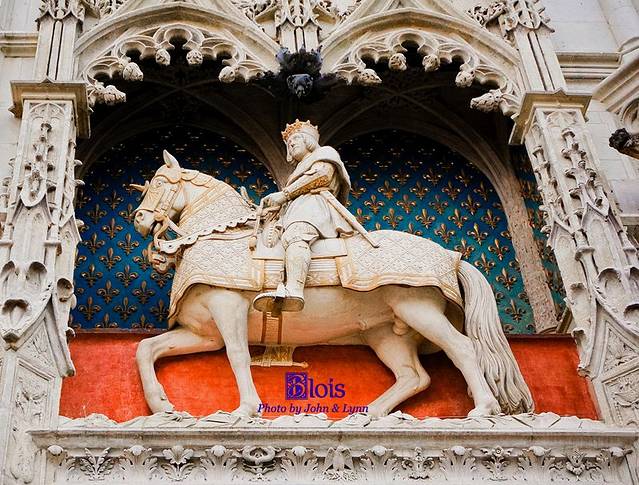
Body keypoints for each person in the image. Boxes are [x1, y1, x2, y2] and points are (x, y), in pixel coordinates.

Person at [252, 120, 353, 312]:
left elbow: (321, 176)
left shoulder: (326, 153)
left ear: (308, 140)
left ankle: (294, 290)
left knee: (296, 235)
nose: (291, 143)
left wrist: (284, 194)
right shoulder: (298, 169)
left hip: (314, 207)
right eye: (288, 143)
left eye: (296, 138)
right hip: (298, 208)